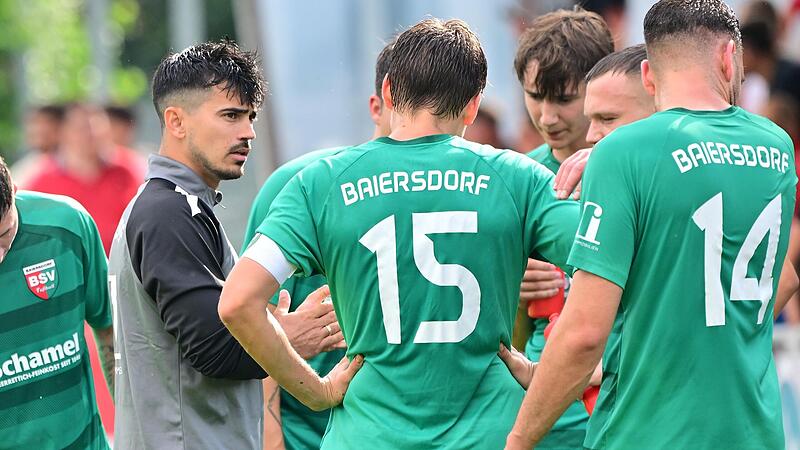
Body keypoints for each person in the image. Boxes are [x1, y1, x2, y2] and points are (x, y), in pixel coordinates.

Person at [219, 18, 579, 449]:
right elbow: (625, 265)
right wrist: (568, 373)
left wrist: (316, 391)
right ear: (472, 105)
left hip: (367, 434)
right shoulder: (518, 178)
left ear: (387, 93)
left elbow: (238, 303)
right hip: (490, 434)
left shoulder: (320, 183)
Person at [505, 1, 798, 448]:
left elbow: (584, 334)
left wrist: (519, 439)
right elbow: (784, 277)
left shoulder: (625, 154)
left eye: (605, 119)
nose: (591, 135)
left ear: (648, 77)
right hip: (754, 428)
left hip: (649, 428)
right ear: (728, 57)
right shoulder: (774, 145)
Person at [109, 40, 357, 450]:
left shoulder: (175, 206)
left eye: (251, 117)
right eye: (230, 116)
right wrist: (288, 336)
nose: (248, 132)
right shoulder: (167, 213)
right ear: (176, 121)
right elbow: (214, 350)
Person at [242, 40, 393, 450]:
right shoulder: (299, 186)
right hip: (306, 434)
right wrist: (272, 441)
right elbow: (254, 315)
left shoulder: (460, 193)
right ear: (379, 106)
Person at [511, 8, 614, 448]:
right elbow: (506, 336)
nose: (547, 116)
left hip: (621, 398)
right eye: (535, 96)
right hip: (544, 408)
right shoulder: (516, 179)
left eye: (563, 99)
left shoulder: (639, 171)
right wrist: (511, 288)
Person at [0, 156, 114, 449]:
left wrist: (134, 421)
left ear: (14, 190)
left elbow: (112, 330)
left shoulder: (67, 224)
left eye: (4, 235)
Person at [24, 103, 142, 254]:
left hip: (121, 267)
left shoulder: (128, 169)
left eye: (96, 127)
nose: (90, 134)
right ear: (63, 133)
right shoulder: (40, 179)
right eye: (81, 129)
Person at [11, 105, 65, 186]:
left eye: (46, 123)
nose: (38, 129)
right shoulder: (27, 166)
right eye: (34, 123)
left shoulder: (73, 164)